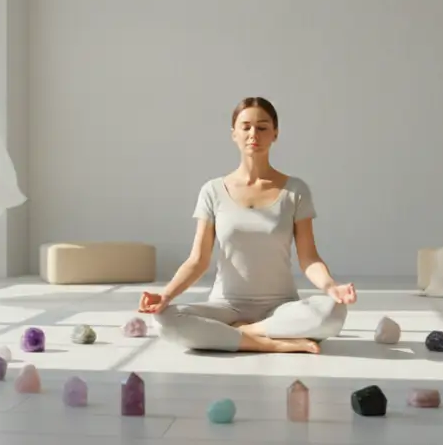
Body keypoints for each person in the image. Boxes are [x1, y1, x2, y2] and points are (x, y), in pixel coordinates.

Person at [138, 96, 356, 354]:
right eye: (246, 127)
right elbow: (197, 260)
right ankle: (271, 344)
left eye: (263, 127)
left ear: (275, 133)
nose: (254, 134)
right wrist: (166, 296)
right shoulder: (212, 191)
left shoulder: (295, 190)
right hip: (225, 307)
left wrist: (332, 288)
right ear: (234, 134)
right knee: (164, 320)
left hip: (280, 308)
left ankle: (240, 334)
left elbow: (309, 258)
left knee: (333, 312)